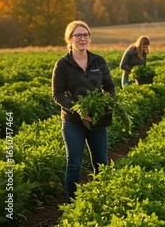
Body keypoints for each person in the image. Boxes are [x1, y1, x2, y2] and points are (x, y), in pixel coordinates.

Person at [51, 20, 116, 202]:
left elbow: (110, 87)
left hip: (96, 120)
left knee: (101, 163)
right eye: (78, 35)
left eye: (86, 35)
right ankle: (73, 204)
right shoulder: (62, 64)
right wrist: (78, 108)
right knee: (74, 164)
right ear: (69, 39)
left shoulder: (99, 61)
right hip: (73, 122)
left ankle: (101, 198)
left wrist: (106, 103)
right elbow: (57, 94)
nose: (83, 38)